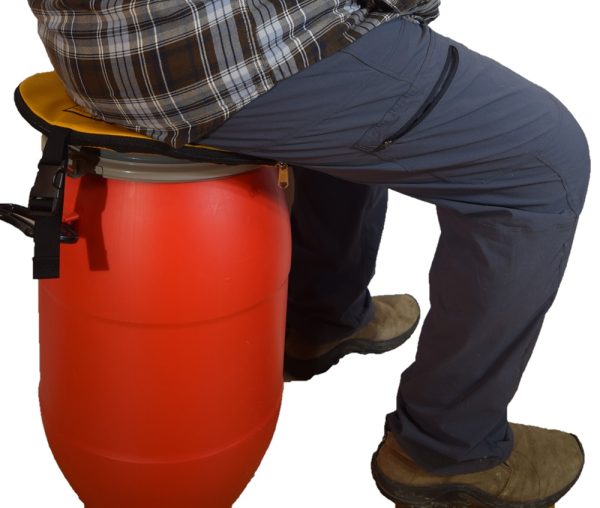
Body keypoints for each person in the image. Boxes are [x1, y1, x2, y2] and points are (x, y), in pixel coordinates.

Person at [27, 1, 590, 507]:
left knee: (354, 35)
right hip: (211, 58)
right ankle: (448, 448)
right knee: (543, 161)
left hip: (93, 51)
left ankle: (321, 318)